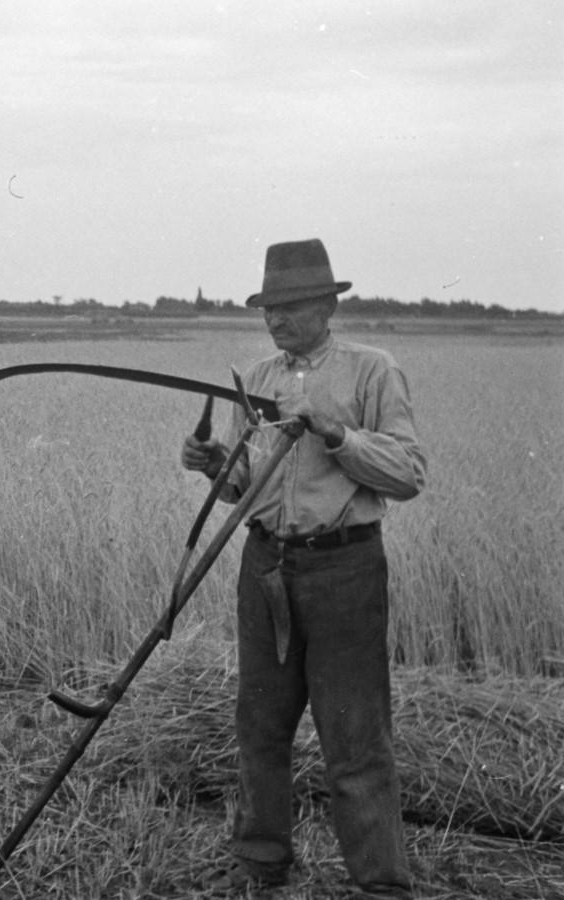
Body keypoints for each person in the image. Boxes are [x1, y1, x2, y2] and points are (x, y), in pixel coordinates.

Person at [181, 239, 426, 896]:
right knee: (259, 723)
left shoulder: (372, 373)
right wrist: (214, 464)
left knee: (354, 737)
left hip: (344, 572)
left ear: (325, 305)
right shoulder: (255, 382)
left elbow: (407, 474)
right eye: (269, 307)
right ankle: (262, 864)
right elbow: (243, 488)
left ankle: (380, 884)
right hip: (265, 568)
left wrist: (334, 433)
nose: (277, 320)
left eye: (290, 307)